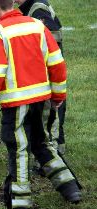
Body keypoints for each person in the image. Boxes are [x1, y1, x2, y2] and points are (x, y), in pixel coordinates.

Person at [0, 0, 81, 209]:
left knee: (19, 149)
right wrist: (58, 94)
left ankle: (22, 204)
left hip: (17, 104)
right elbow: (57, 63)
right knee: (42, 142)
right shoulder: (36, 25)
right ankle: (70, 187)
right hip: (42, 99)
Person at [15, 0, 66, 155]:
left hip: (49, 71)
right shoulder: (30, 7)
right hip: (47, 69)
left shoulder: (37, 9)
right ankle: (56, 148)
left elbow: (53, 37)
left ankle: (52, 154)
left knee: (51, 112)